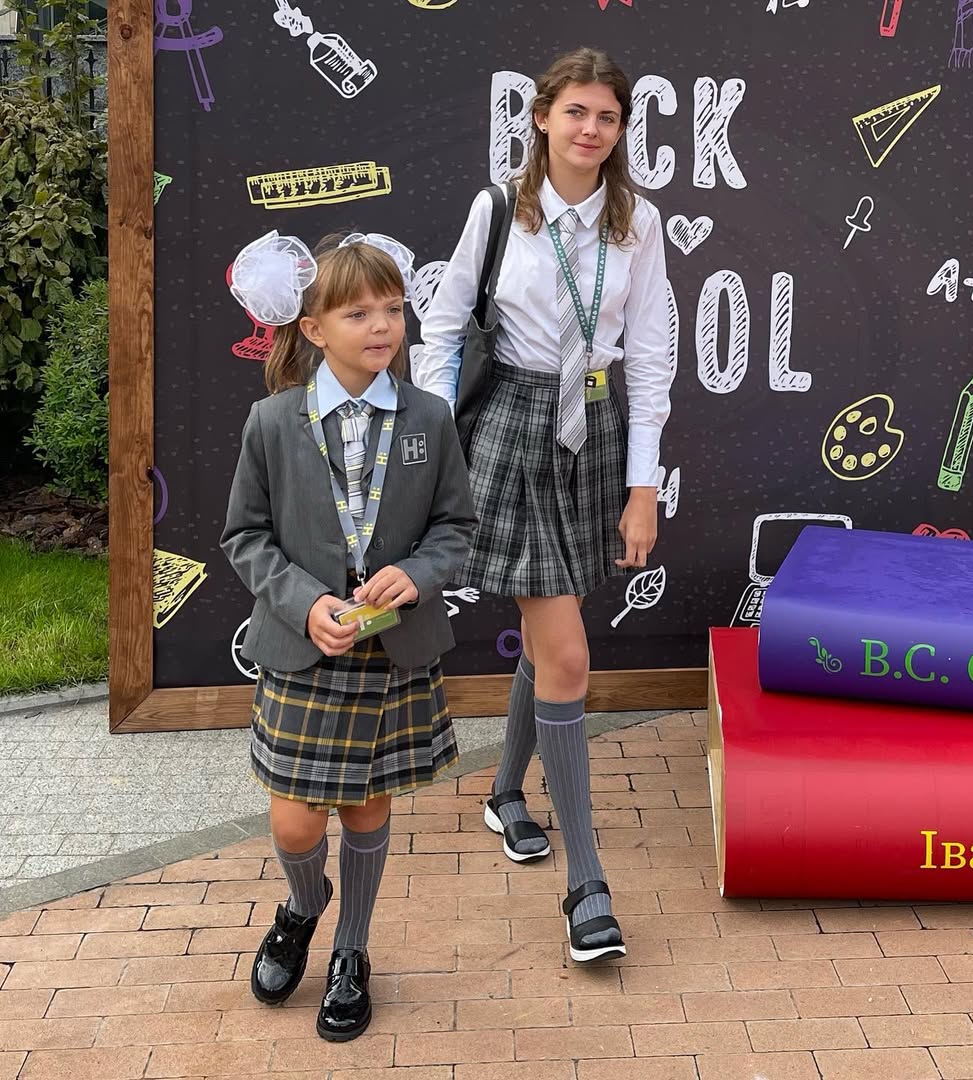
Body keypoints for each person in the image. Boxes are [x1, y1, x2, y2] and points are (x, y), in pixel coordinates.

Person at [415, 47, 673, 962]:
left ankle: (503, 793)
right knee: (566, 651)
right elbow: (441, 328)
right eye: (576, 112)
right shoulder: (497, 210)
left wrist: (643, 486)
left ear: (620, 129)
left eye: (607, 117)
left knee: (548, 633)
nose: (590, 130)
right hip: (513, 427)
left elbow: (651, 356)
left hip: (594, 428)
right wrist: (434, 451)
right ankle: (586, 886)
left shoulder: (639, 223)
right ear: (541, 118)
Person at [221, 230, 477, 1039]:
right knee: (296, 823)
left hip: (392, 652)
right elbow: (244, 537)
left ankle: (351, 950)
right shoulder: (271, 422)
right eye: (358, 312)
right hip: (305, 652)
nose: (381, 326)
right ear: (314, 329)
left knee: (366, 811)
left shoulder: (429, 417)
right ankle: (304, 907)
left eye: (392, 309)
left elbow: (456, 528)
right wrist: (303, 603)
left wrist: (420, 573)